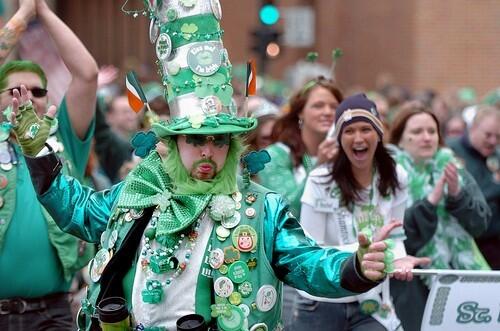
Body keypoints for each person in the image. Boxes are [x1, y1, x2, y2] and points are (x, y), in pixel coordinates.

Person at [7, 1, 415, 330]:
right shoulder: (139, 197)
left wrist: (356, 268)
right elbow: (76, 210)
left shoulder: (261, 210)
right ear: (174, 144)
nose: (207, 152)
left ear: (233, 147)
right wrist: (35, 147)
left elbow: (306, 264)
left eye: (218, 142)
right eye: (196, 141)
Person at [294, 94, 430, 331]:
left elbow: (395, 237)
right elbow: (309, 251)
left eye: (366, 129)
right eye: (349, 131)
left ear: (378, 133)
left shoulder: (397, 177)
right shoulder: (320, 181)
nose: (358, 138)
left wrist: (400, 259)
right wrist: (362, 255)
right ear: (339, 137)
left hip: (371, 302)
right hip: (323, 302)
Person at [0, 0, 98, 330]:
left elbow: (87, 74)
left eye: (38, 91)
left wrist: (42, 9)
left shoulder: (64, 142)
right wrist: (23, 14)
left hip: (52, 314)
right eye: (14, 90)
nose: (26, 97)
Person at [388, 101, 491, 331]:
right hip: (413, 286)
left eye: (432, 131)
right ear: (400, 140)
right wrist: (430, 203)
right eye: (417, 131)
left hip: (460, 281)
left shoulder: (453, 167)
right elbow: (398, 239)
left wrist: (456, 195)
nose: (427, 137)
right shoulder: (390, 176)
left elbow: (480, 223)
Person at [259, 76, 341, 217]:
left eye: (334, 107)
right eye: (318, 106)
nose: (328, 112)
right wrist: (318, 167)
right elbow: (285, 212)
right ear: (300, 112)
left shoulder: (347, 153)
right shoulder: (274, 155)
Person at [448, 105, 500, 269]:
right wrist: (495, 186)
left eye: (498, 137)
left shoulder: (495, 155)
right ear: (473, 128)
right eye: (488, 135)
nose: (493, 141)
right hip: (467, 245)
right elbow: (466, 196)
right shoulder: (452, 152)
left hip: (495, 244)